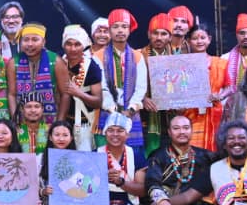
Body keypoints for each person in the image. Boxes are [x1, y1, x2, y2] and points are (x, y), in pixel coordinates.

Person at [99, 9, 148, 154]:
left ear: (129, 30)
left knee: (133, 156)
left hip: (132, 112)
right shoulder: (98, 56)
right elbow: (102, 87)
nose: (120, 30)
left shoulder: (137, 56)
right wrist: (112, 109)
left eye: (124, 26)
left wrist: (131, 109)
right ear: (109, 30)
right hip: (107, 111)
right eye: (115, 27)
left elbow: (141, 88)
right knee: (105, 157)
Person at [56, 24, 103, 151]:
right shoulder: (58, 61)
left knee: (83, 158)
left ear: (84, 46)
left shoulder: (91, 67)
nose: (72, 48)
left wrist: (78, 93)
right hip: (59, 120)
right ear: (63, 45)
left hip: (84, 123)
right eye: (69, 44)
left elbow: (98, 102)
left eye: (77, 44)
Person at [182, 24, 229, 151]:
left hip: (214, 114)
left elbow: (230, 87)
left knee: (214, 152)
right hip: (189, 114)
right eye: (195, 38)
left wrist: (220, 95)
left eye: (203, 38)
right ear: (188, 41)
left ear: (209, 39)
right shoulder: (181, 65)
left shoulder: (220, 63)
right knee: (192, 151)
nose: (199, 41)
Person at [139, 13, 174, 155]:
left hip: (169, 117)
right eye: (155, 33)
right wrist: (142, 98)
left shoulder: (178, 60)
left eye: (164, 34)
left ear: (170, 37)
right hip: (145, 117)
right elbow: (127, 84)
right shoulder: (138, 56)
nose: (159, 37)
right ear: (149, 34)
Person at [13, 22, 59, 123]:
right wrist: (15, 121)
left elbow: (64, 95)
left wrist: (60, 123)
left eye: (35, 39)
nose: (30, 44)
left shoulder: (56, 61)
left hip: (51, 121)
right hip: (22, 121)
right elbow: (11, 94)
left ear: (43, 42)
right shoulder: (13, 62)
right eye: (26, 40)